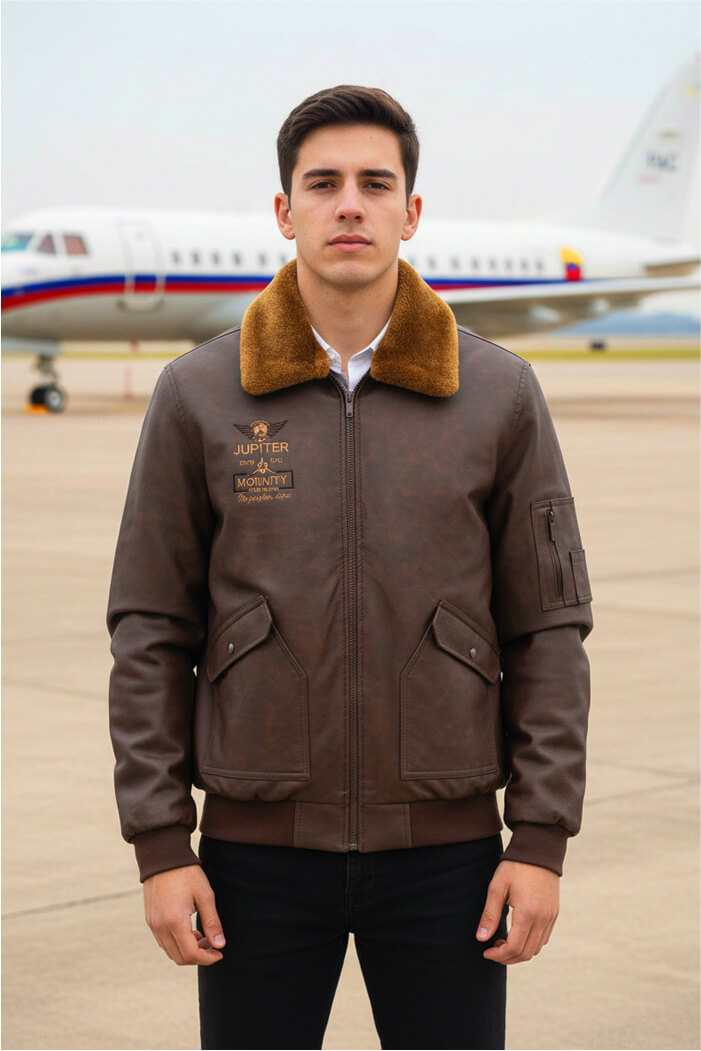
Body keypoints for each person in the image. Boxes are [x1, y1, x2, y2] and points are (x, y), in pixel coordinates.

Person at [108, 85, 592, 1051]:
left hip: (450, 858)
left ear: (410, 212)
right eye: (322, 183)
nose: (349, 205)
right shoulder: (196, 393)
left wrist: (539, 838)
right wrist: (161, 844)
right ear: (283, 210)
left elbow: (547, 630)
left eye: (375, 183)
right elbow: (150, 628)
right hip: (251, 859)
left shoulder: (499, 392)